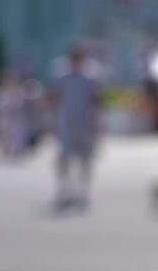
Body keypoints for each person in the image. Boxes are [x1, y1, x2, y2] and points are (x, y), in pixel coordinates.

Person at [48, 46, 103, 209]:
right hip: (67, 121)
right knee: (64, 156)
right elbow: (54, 96)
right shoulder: (62, 76)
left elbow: (97, 98)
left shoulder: (90, 76)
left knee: (86, 157)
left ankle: (83, 189)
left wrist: (98, 117)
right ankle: (65, 187)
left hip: (85, 121)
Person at [0, 70, 28, 159]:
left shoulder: (20, 93)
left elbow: (20, 106)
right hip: (5, 118)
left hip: (16, 119)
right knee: (5, 135)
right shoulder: (1, 93)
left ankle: (16, 150)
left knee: (17, 135)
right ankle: (6, 149)